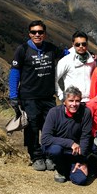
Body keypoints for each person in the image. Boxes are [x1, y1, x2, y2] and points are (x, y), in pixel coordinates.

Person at [8, 20, 63, 171]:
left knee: (49, 127)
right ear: (29, 34)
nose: (37, 34)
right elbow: (14, 72)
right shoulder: (23, 50)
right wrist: (13, 95)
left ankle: (48, 154)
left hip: (47, 96)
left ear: (45, 34)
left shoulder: (51, 49)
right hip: (29, 96)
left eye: (40, 32)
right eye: (34, 32)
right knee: (32, 127)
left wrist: (86, 56)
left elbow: (67, 55)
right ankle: (36, 155)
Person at [41, 86, 92, 185]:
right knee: (56, 150)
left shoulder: (86, 112)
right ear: (64, 102)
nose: (74, 104)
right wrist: (70, 143)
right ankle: (61, 170)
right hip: (57, 148)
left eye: (77, 101)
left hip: (74, 152)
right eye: (71, 101)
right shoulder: (54, 113)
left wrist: (81, 160)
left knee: (80, 180)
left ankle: (72, 166)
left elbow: (85, 137)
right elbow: (45, 139)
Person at [55, 31, 96, 103]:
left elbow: (95, 79)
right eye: (77, 44)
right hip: (72, 102)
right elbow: (54, 78)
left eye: (84, 44)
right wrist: (61, 95)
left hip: (90, 101)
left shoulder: (92, 61)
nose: (81, 46)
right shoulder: (66, 60)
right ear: (73, 44)